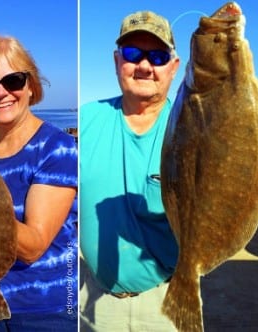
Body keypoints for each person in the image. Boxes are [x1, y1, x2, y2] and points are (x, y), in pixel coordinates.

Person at [0, 35, 78, 332]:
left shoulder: (58, 148)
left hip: (46, 309)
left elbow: (33, 246)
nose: (0, 93)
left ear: (30, 85)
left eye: (12, 81)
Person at [79, 10, 181, 331]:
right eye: (133, 54)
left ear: (174, 68)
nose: (145, 66)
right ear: (116, 61)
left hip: (168, 298)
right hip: (92, 298)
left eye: (158, 56)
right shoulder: (86, 120)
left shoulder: (192, 128)